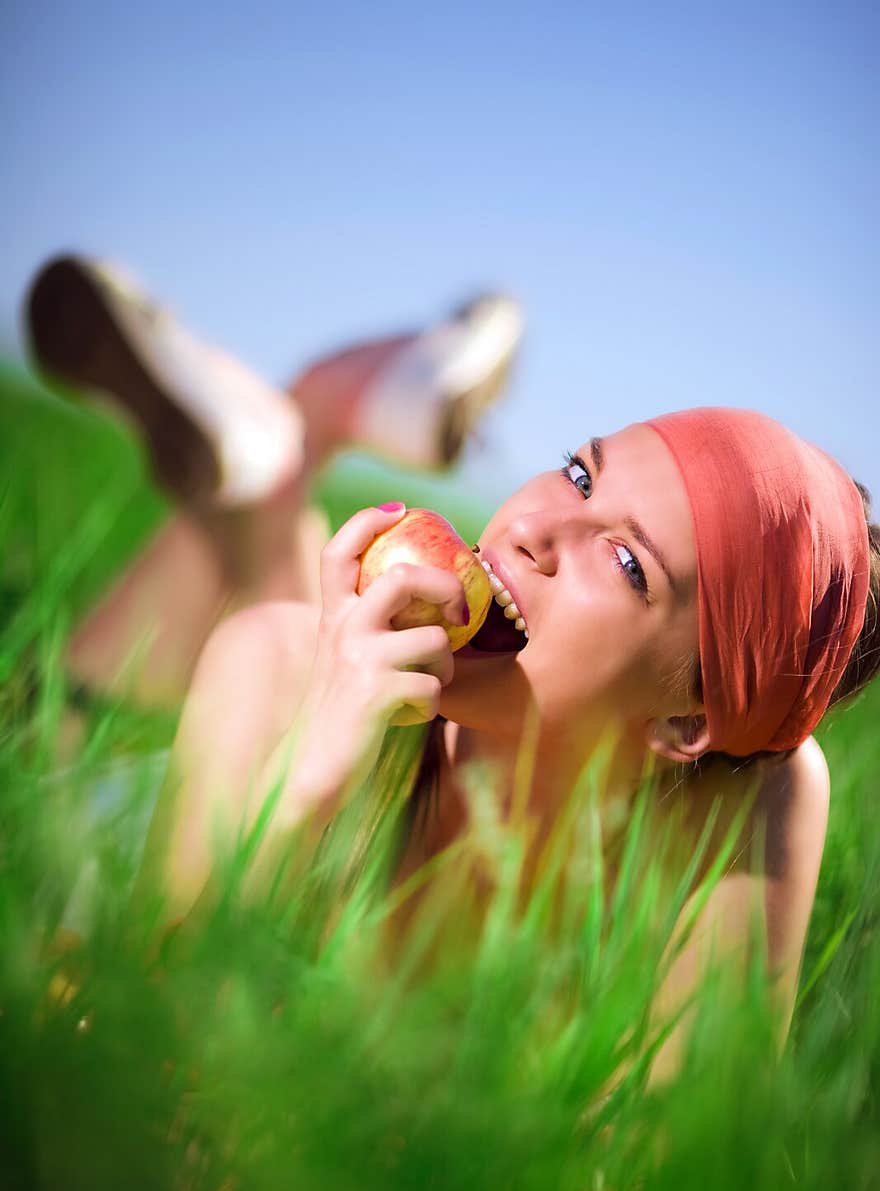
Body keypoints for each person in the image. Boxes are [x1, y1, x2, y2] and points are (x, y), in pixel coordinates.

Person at [25, 255, 880, 1077]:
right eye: (580, 475)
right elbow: (136, 1041)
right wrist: (306, 787)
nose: (531, 532)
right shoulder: (279, 667)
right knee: (33, 739)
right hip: (99, 835)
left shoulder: (748, 788)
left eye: (627, 565)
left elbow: (682, 1181)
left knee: (255, 526)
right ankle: (314, 416)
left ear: (690, 723)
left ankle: (309, 424)